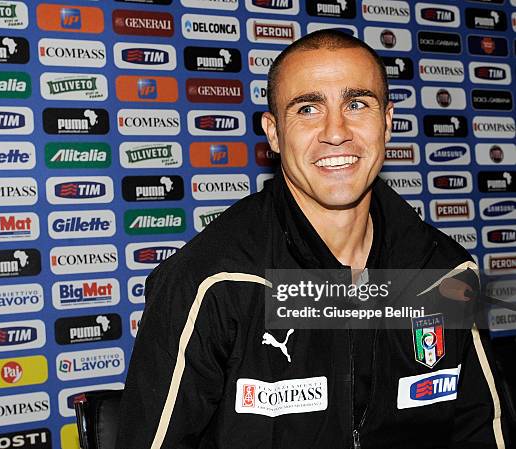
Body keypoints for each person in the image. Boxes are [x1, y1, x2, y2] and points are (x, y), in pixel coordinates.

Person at [116, 30, 509, 449]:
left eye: (356, 104)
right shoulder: (212, 281)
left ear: (388, 122)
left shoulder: (445, 273)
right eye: (307, 109)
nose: (335, 132)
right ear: (273, 132)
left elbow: (482, 432)